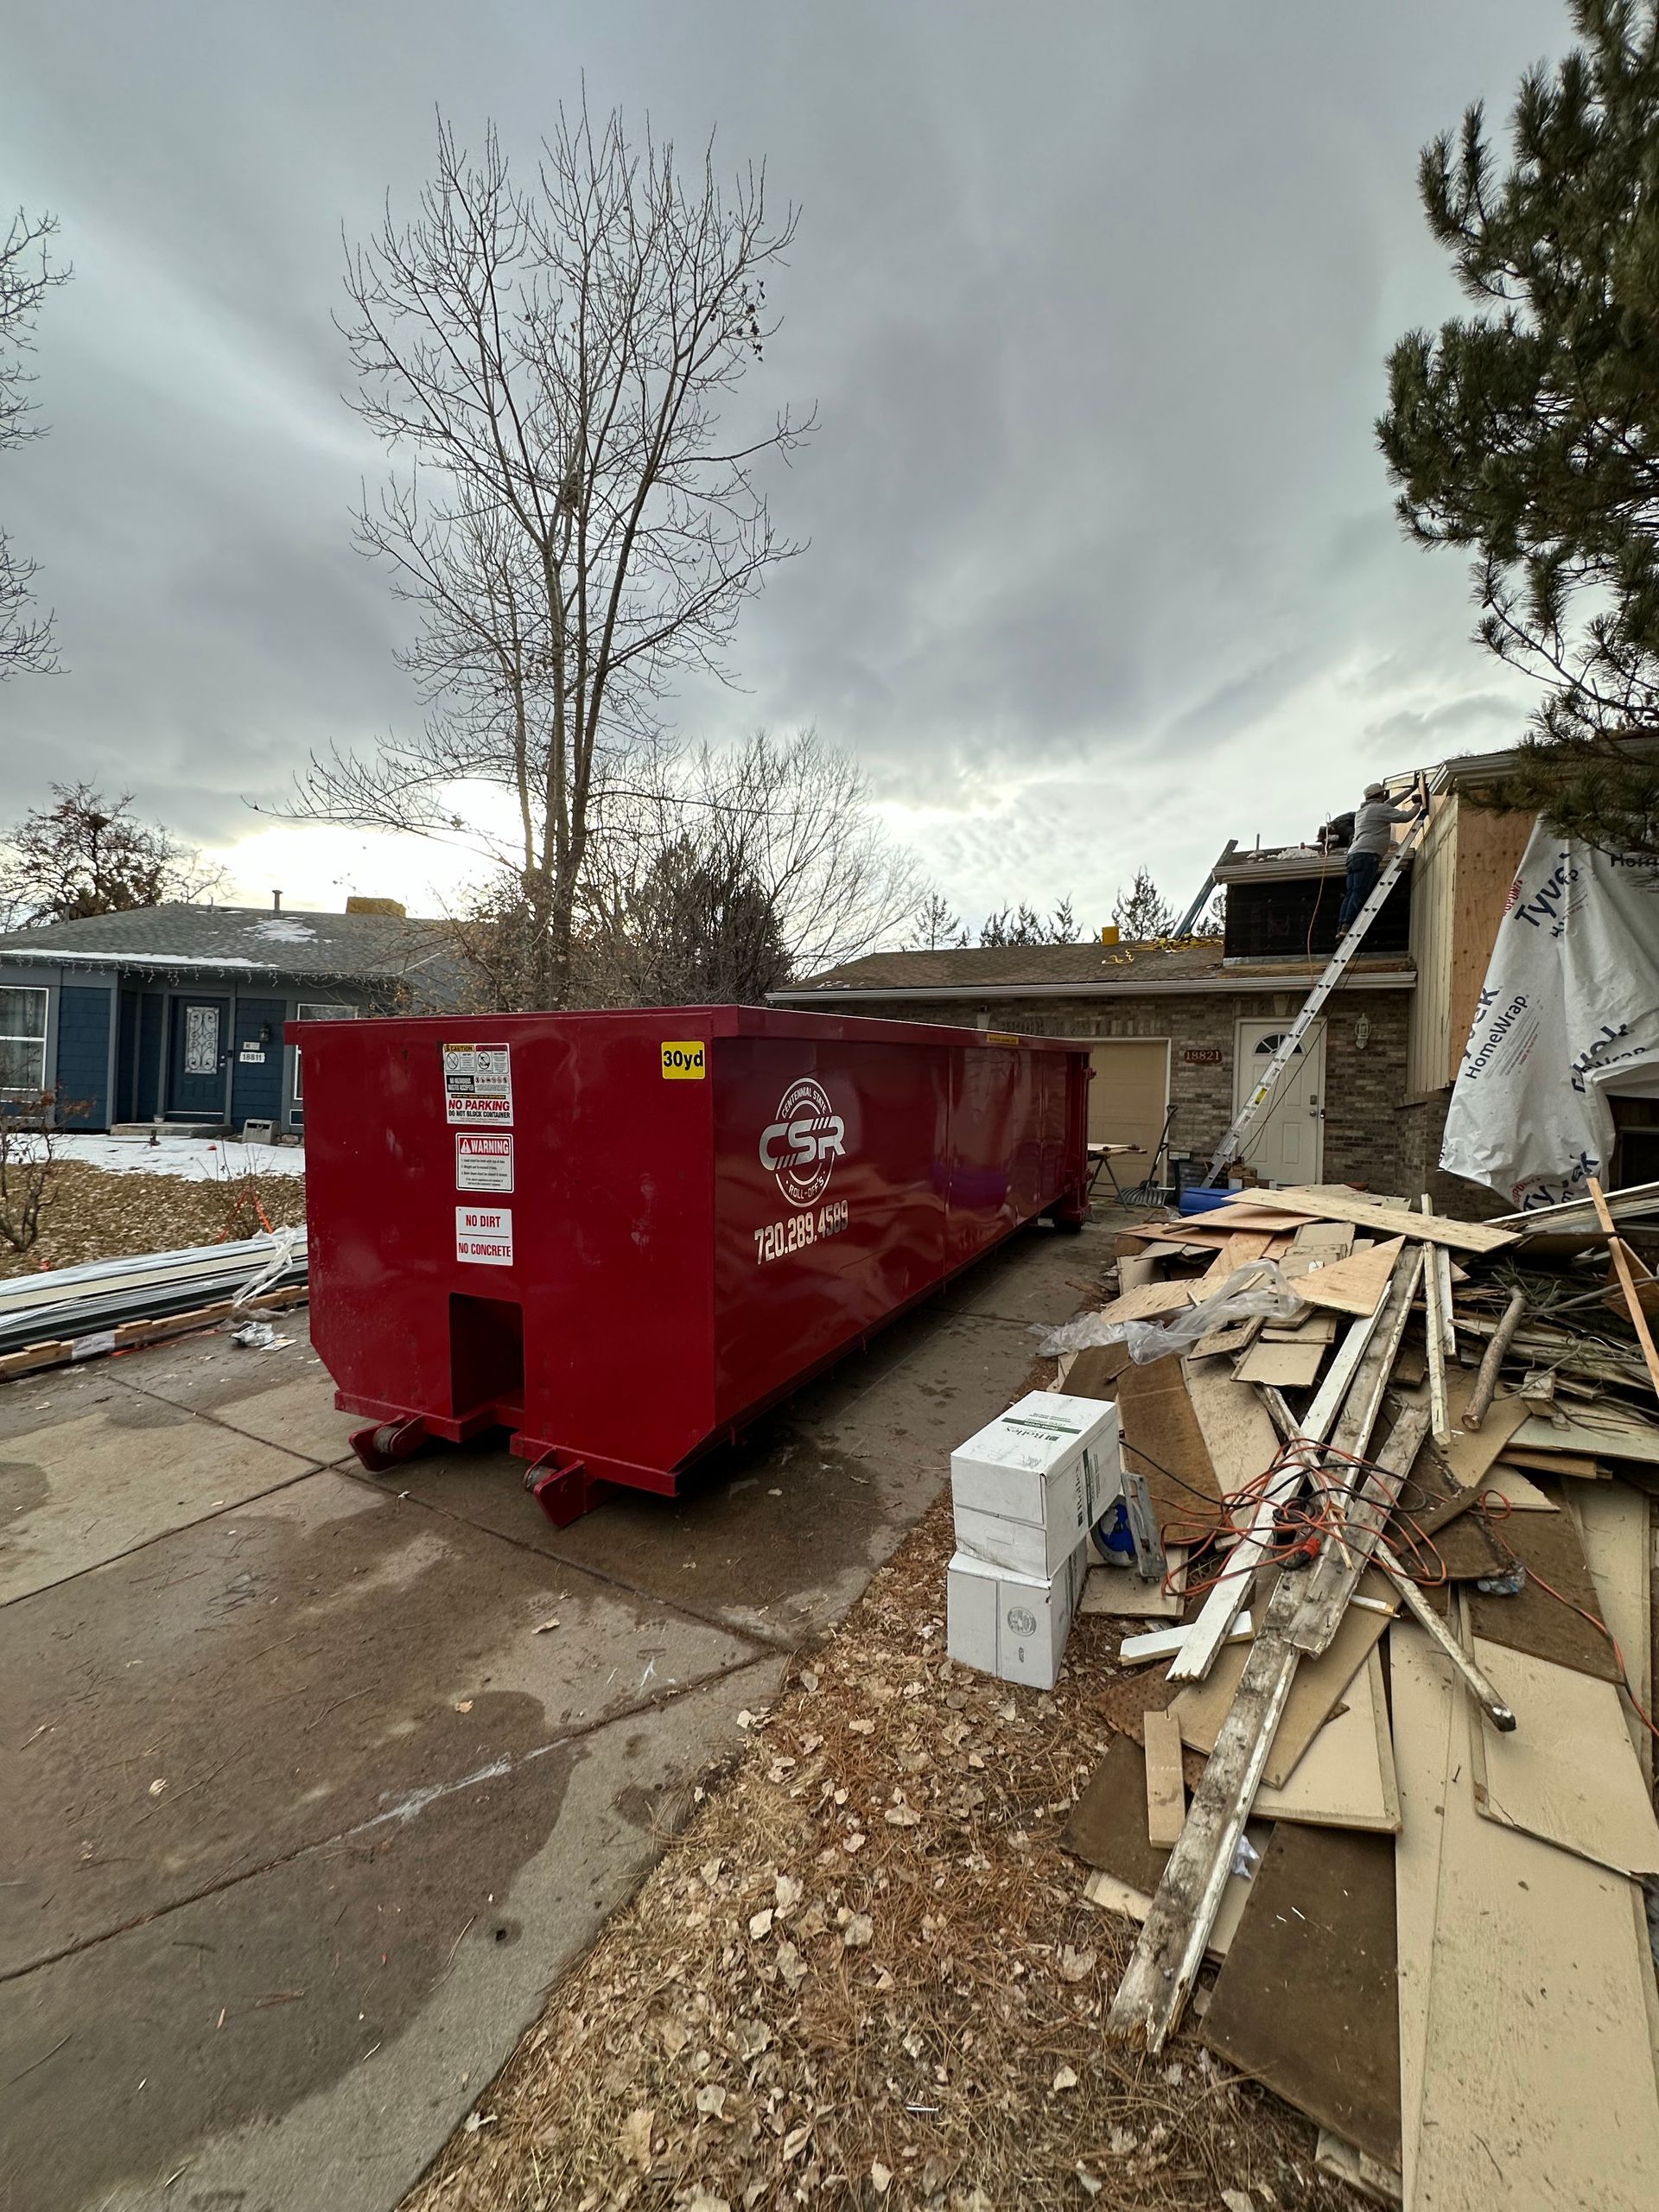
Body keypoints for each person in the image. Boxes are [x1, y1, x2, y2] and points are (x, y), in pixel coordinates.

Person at [1336, 780, 1419, 935]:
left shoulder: (1364, 811)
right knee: (1359, 892)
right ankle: (1348, 926)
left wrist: (1410, 790)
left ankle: (1342, 926)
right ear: (1380, 795)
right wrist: (1418, 805)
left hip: (1354, 855)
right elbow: (1405, 817)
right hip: (1367, 856)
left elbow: (1389, 803)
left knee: (1351, 892)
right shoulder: (1380, 809)